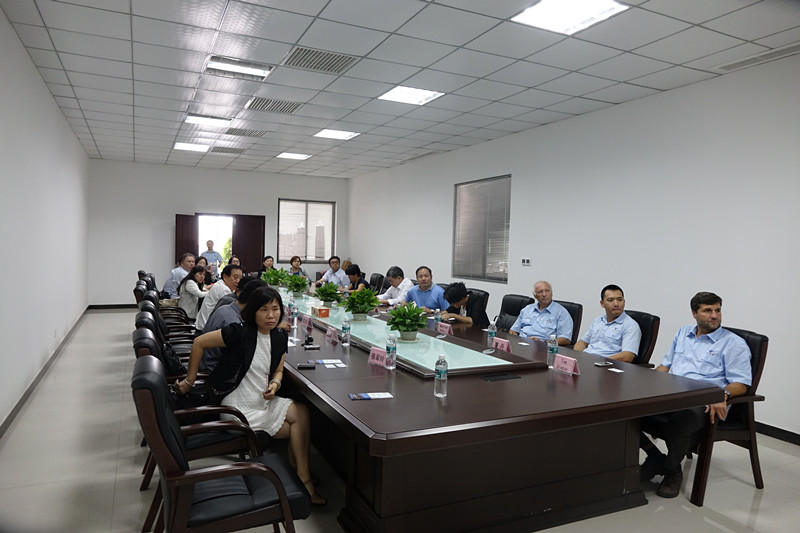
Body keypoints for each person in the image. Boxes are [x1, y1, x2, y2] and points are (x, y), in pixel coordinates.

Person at [176, 287, 326, 505]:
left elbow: (278, 370)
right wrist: (189, 381)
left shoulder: (279, 336)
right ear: (253, 311)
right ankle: (305, 482)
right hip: (236, 407)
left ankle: (300, 477)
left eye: (275, 309)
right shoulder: (240, 332)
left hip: (262, 400)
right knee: (296, 430)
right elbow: (199, 343)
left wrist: (275, 384)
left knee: (301, 413)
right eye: (264, 310)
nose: (271, 315)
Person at [639, 292, 752, 498]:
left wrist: (723, 394)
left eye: (717, 310)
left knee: (681, 421)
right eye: (708, 310)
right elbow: (665, 365)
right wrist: (645, 384)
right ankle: (655, 457)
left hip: (704, 403)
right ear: (694, 313)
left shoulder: (733, 343)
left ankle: (671, 471)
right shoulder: (683, 333)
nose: (714, 315)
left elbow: (741, 384)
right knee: (626, 411)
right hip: (671, 394)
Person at [200, 278, 266, 372]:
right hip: (214, 370)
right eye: (264, 308)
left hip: (206, 363)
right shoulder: (234, 323)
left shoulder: (225, 308)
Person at [573, 284, 641, 362]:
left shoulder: (630, 325)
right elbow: (582, 342)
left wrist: (599, 361)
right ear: (602, 303)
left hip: (605, 365)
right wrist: (578, 356)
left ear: (624, 302)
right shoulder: (598, 320)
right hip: (587, 361)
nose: (616, 304)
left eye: (619, 300)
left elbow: (627, 356)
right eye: (611, 300)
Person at [509, 281, 573, 345]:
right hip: (521, 344)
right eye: (540, 292)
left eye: (547, 291)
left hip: (544, 347)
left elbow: (566, 339)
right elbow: (513, 330)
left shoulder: (561, 312)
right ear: (535, 296)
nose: (544, 294)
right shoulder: (527, 309)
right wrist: (516, 342)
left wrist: (544, 343)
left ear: (552, 293)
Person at [194, 264, 243, 331]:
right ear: (225, 277)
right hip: (205, 330)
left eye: (240, 278)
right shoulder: (223, 289)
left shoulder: (221, 284)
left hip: (204, 326)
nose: (238, 281)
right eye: (235, 277)